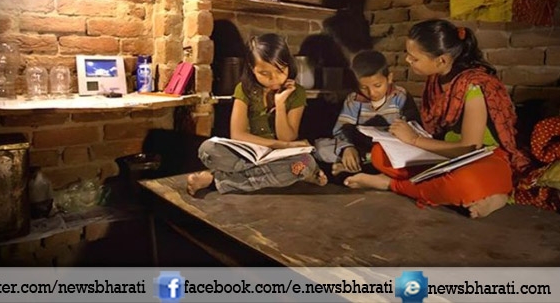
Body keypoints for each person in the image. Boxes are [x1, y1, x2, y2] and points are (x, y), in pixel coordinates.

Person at [344, 19, 532, 219]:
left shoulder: (473, 86)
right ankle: (480, 192)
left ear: (441, 60)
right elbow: (436, 135)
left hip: (482, 157)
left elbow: (469, 148)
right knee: (379, 154)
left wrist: (413, 140)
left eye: (414, 58)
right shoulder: (436, 80)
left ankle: (391, 184)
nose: (407, 60)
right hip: (444, 154)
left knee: (465, 182)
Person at [187, 33, 328, 196]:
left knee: (305, 163)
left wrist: (280, 105)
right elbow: (237, 134)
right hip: (248, 154)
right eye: (264, 73)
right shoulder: (244, 89)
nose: (274, 78)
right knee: (208, 150)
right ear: (252, 68)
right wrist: (282, 145)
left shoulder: (297, 93)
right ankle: (288, 177)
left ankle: (216, 180)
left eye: (280, 70)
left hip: (279, 157)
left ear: (288, 64)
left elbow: (287, 137)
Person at [314, 49, 421, 177]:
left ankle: (353, 167)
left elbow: (413, 126)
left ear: (389, 78)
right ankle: (359, 165)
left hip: (389, 149)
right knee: (321, 148)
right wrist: (347, 147)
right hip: (361, 147)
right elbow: (342, 128)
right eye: (364, 87)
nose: (372, 93)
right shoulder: (354, 99)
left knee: (409, 154)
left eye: (377, 85)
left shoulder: (400, 96)